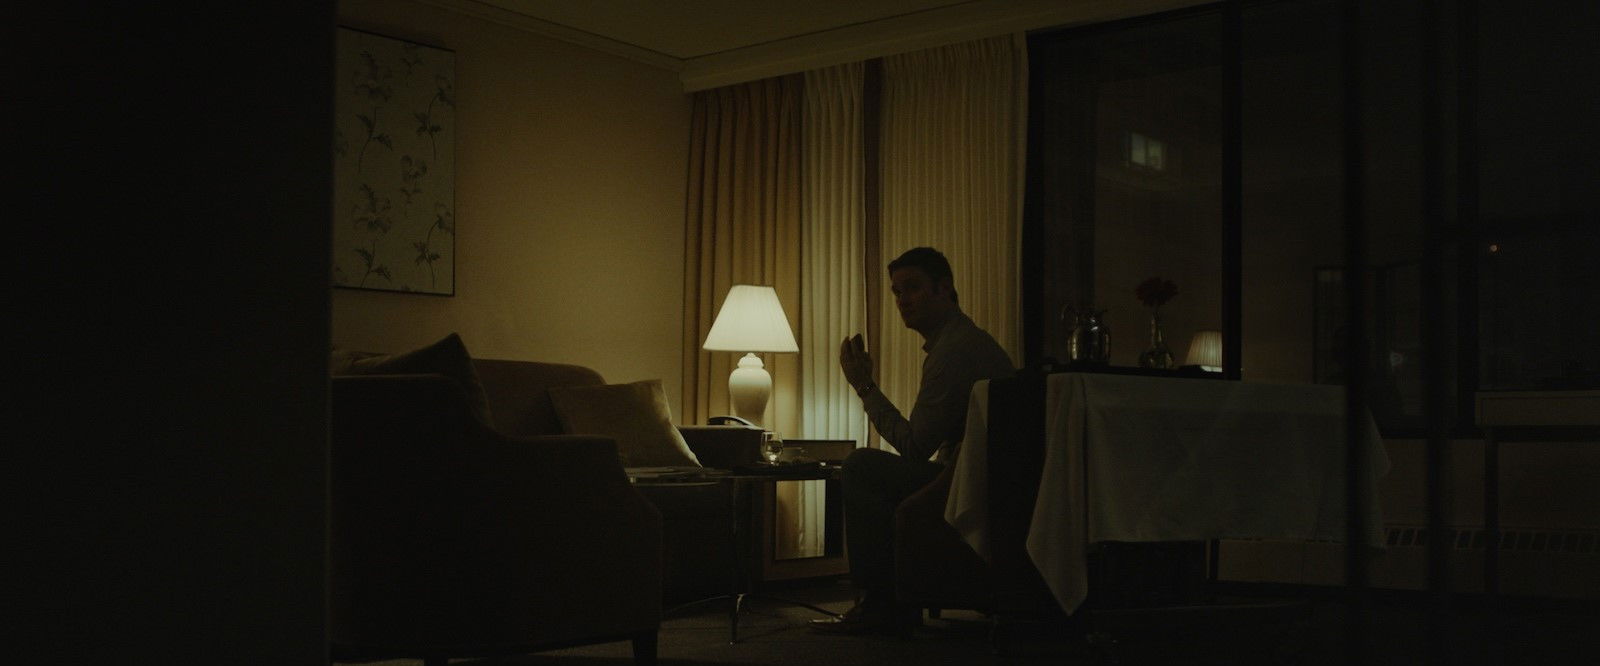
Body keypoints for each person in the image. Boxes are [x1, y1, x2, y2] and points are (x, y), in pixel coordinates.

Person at [809, 247, 1015, 635]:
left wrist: (865, 386)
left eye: (913, 287)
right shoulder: (960, 341)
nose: (902, 300)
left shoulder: (954, 351)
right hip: (977, 479)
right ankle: (893, 598)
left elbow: (915, 447)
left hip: (973, 485)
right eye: (897, 291)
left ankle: (882, 605)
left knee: (861, 466)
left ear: (944, 288)